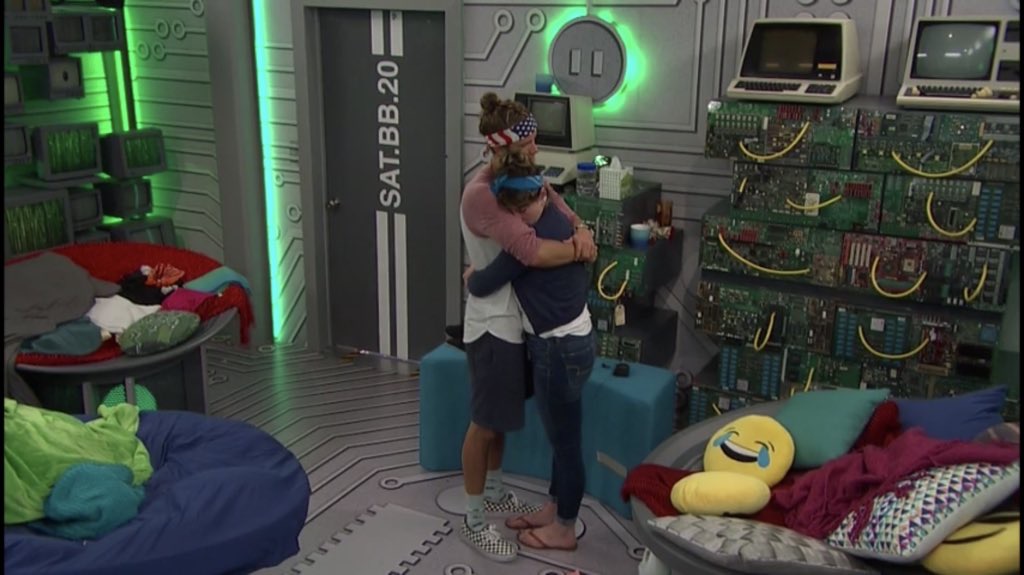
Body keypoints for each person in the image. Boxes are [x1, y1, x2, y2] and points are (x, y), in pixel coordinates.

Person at [458, 92, 597, 562]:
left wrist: (582, 229)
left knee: (502, 422)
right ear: (504, 147)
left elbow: (556, 201)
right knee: (485, 423)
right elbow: (529, 253)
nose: (538, 150)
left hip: (520, 324)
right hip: (493, 323)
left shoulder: (522, 183)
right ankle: (474, 519)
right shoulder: (486, 193)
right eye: (530, 143)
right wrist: (579, 247)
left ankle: (496, 492)